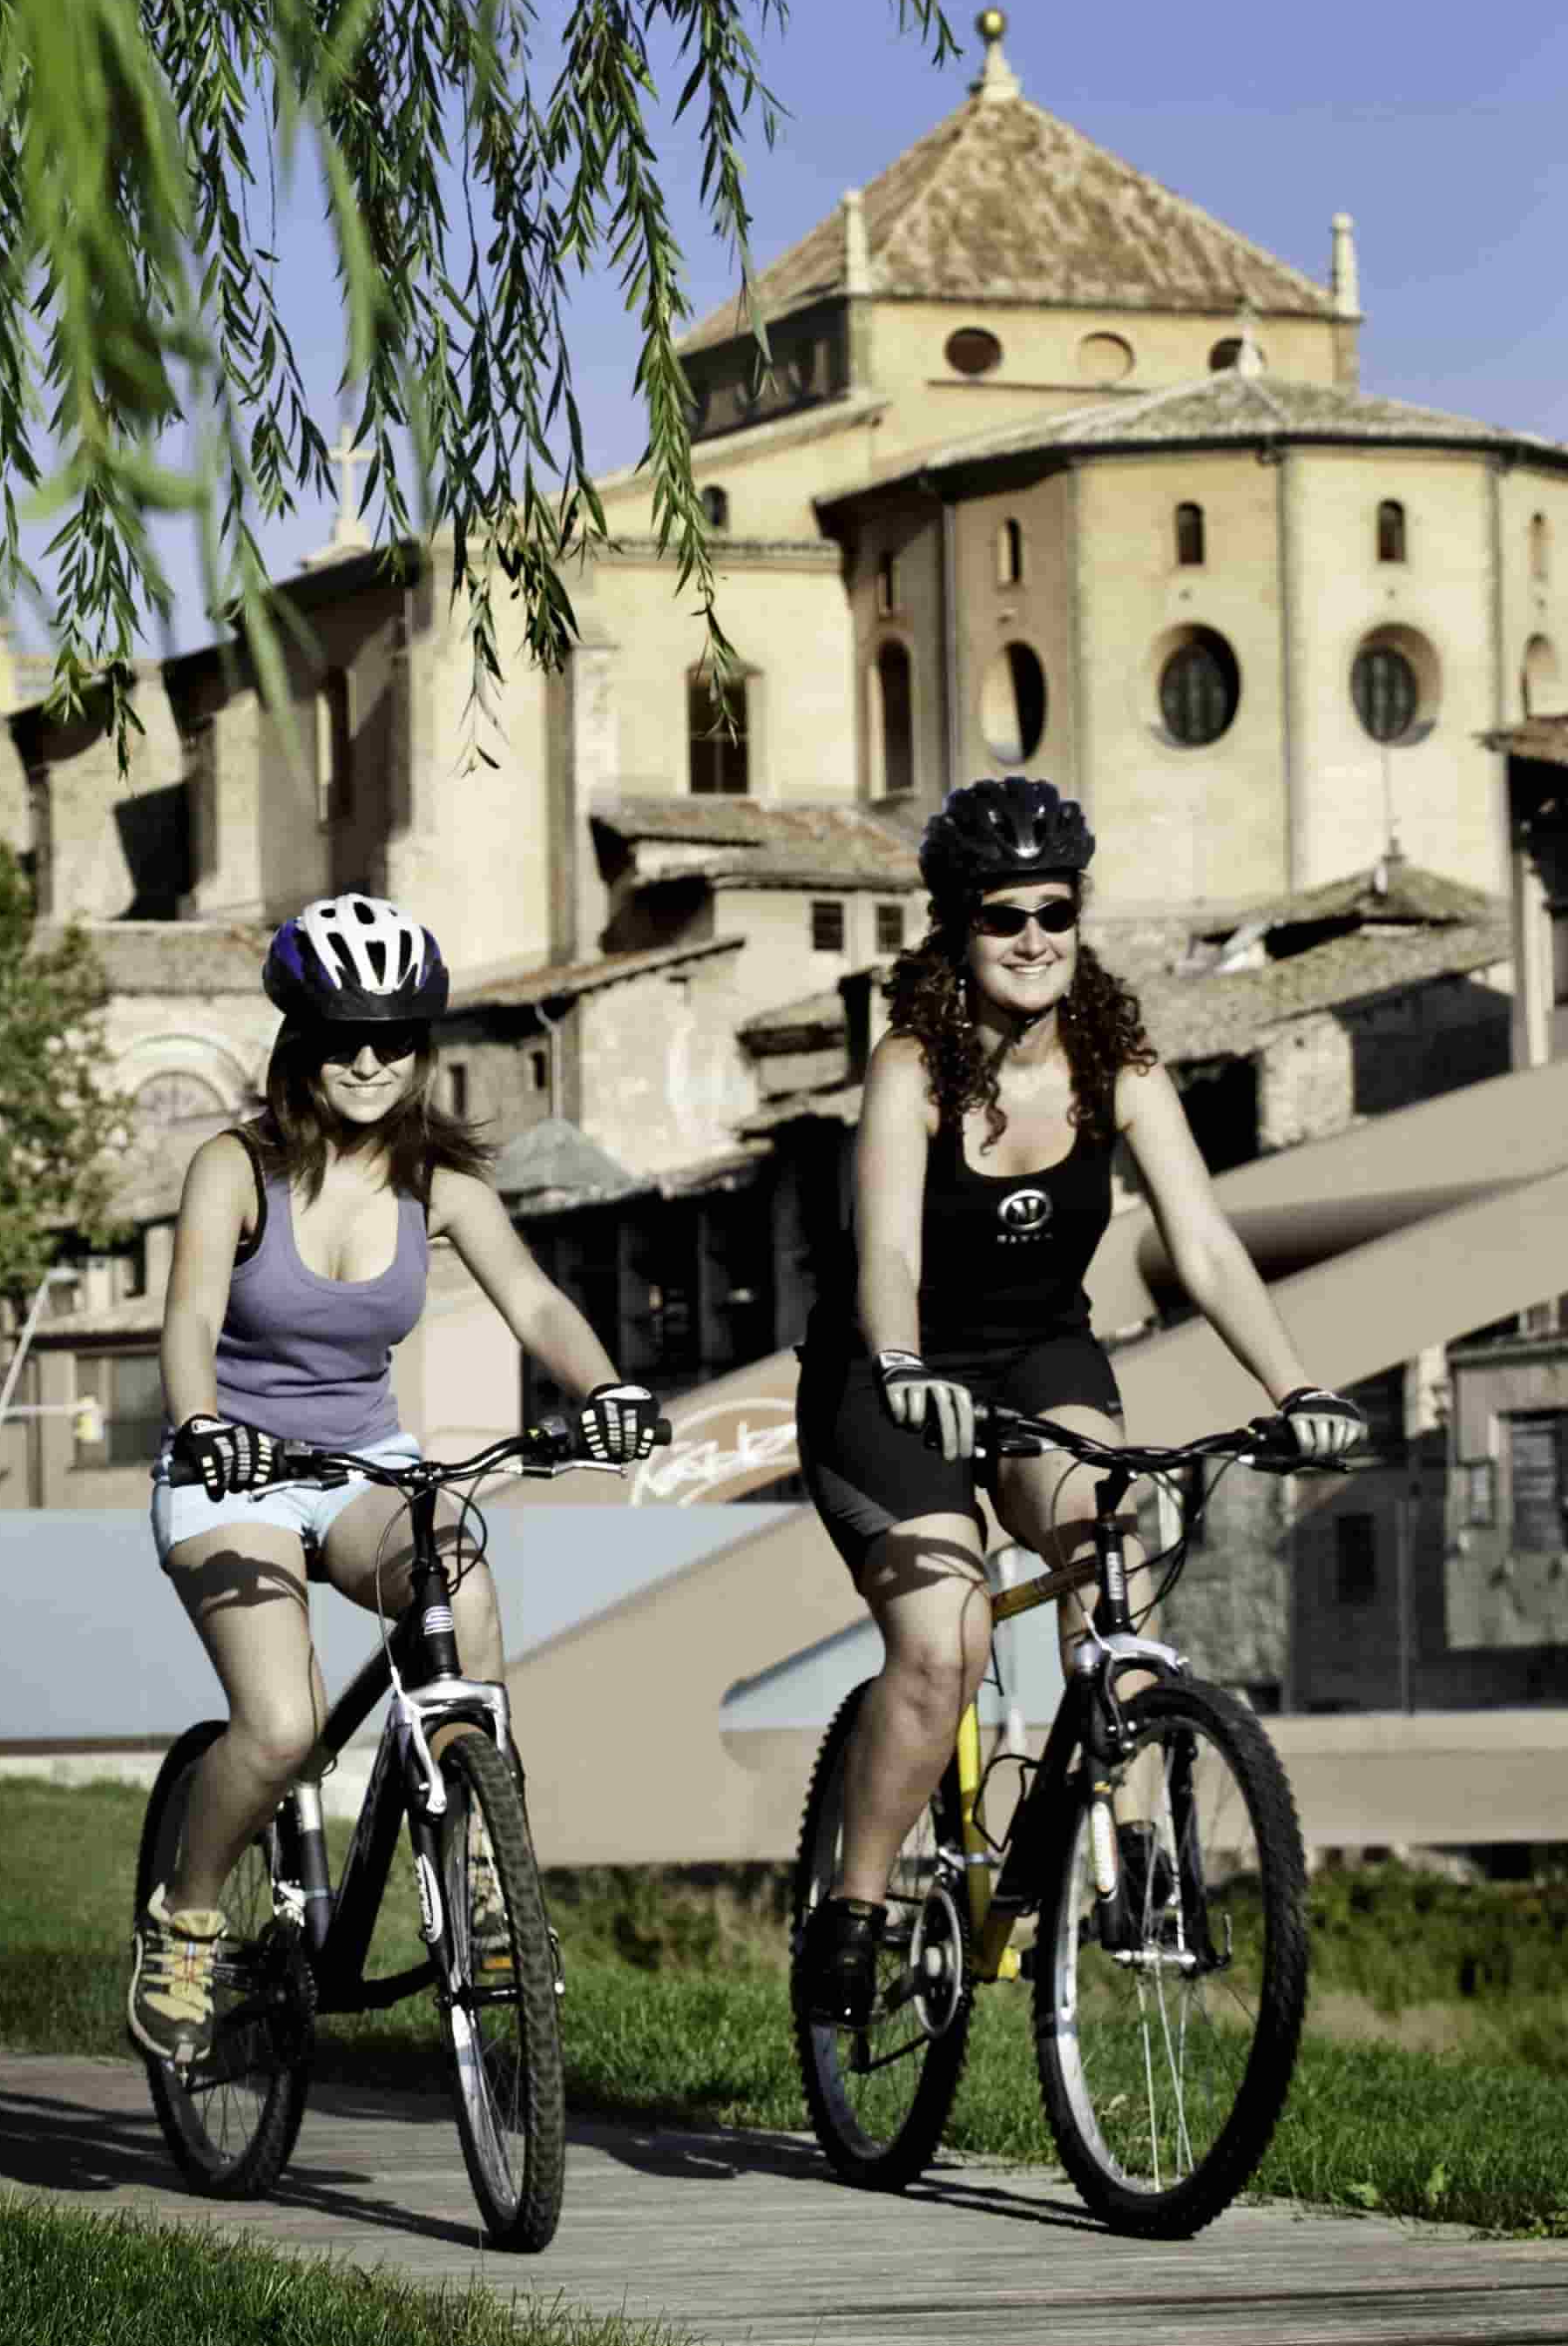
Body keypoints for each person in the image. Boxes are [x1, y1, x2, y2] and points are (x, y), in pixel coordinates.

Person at [787, 774, 1369, 2028]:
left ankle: (1139, 1854)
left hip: (1041, 1355)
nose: (1036, 935)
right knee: (945, 1644)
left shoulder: (1121, 1065)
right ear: (958, 928)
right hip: (884, 1377)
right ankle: (859, 1904)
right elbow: (886, 1249)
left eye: (1058, 908)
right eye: (1005, 916)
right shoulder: (910, 1071)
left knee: (1115, 1549)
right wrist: (900, 1365)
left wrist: (1297, 1385)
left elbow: (1204, 1246)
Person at [131, 889, 664, 2066]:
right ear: (301, 1042)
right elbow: (187, 1320)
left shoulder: (442, 1181)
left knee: (460, 1588)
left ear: (422, 1049)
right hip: (237, 1472)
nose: (368, 1061)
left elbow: (534, 1299)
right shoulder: (234, 1169)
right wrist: (205, 1419)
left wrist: (605, 1390)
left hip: (365, 1464)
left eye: (394, 1038)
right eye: (342, 1037)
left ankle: (484, 1879)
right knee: (280, 1730)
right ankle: (190, 1917)